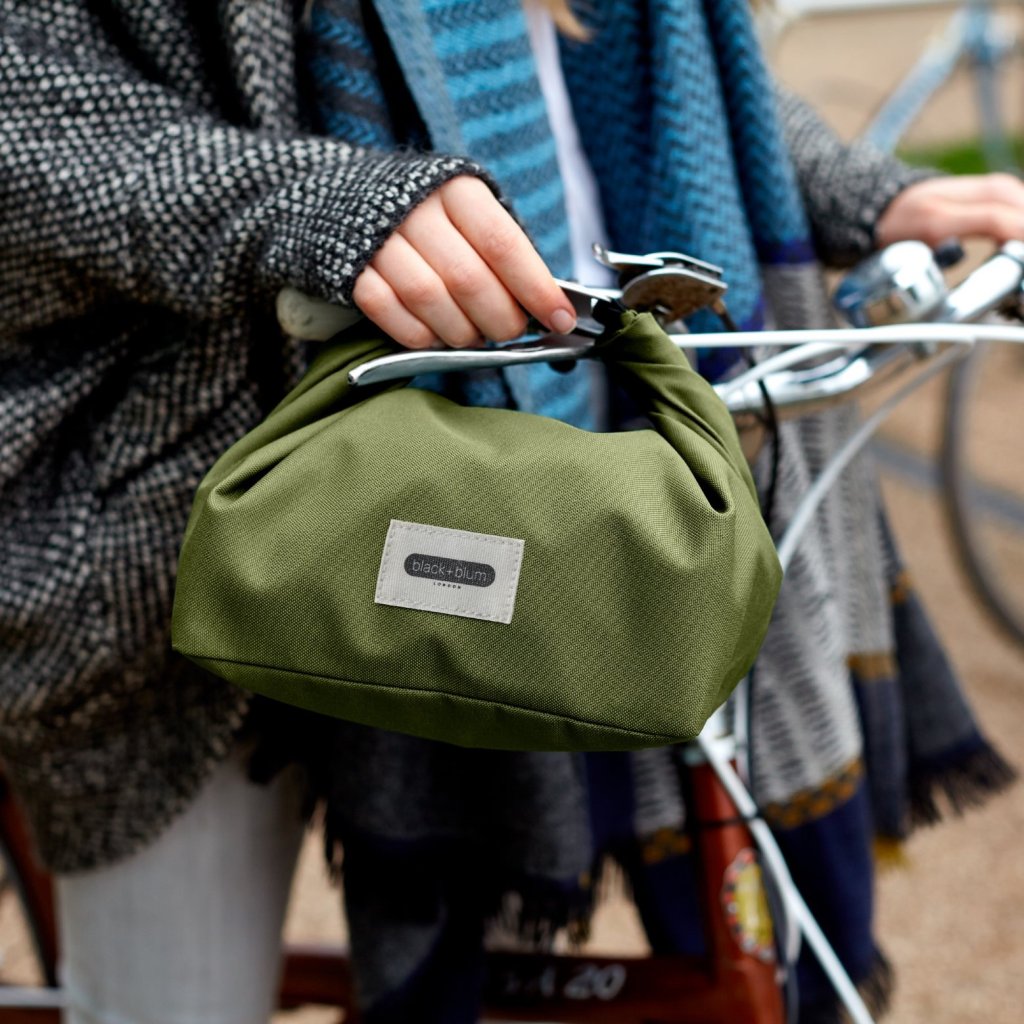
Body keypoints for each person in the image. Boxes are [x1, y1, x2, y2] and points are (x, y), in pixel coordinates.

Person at [0, 1, 1021, 1022]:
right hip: (181, 504)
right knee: (181, 1003)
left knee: (547, 872)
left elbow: (635, 62)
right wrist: (307, 200)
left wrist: (856, 191)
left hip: (563, 454)